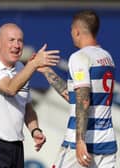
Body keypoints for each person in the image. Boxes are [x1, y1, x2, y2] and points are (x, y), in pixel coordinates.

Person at [0, 23, 60, 168]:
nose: (17, 45)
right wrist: (33, 65)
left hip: (16, 145)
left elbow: (26, 105)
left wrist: (35, 130)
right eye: (11, 40)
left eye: (20, 41)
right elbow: (10, 88)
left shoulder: (20, 68)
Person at [38, 10, 117, 168]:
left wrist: (80, 141)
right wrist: (46, 71)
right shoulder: (107, 58)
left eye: (71, 31)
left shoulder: (79, 57)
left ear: (77, 31)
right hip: (106, 143)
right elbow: (75, 97)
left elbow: (83, 99)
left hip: (81, 143)